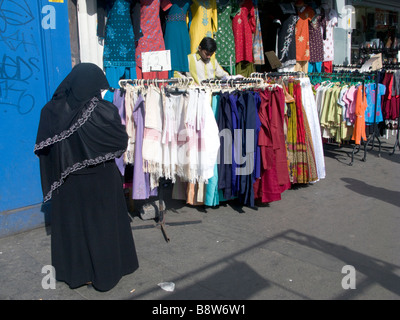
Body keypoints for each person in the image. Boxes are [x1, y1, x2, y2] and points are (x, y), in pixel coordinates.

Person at [34, 63, 139, 292]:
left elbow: (46, 153)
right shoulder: (104, 110)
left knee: (75, 229)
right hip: (102, 180)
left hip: (69, 184)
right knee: (104, 227)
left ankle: (77, 273)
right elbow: (120, 143)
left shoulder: (50, 111)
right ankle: (106, 273)